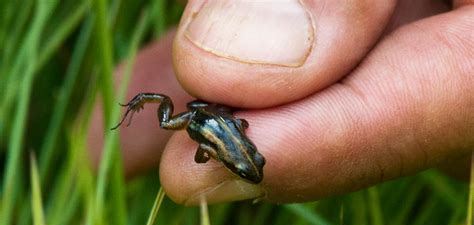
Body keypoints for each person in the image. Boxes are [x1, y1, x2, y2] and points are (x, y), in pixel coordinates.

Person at [88, 0, 473, 205]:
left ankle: (146, 99)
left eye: (249, 164)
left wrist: (213, 142)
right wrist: (213, 142)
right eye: (245, 164)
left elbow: (218, 143)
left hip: (203, 117)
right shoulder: (226, 148)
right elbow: (217, 143)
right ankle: (144, 99)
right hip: (202, 117)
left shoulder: (229, 149)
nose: (251, 164)